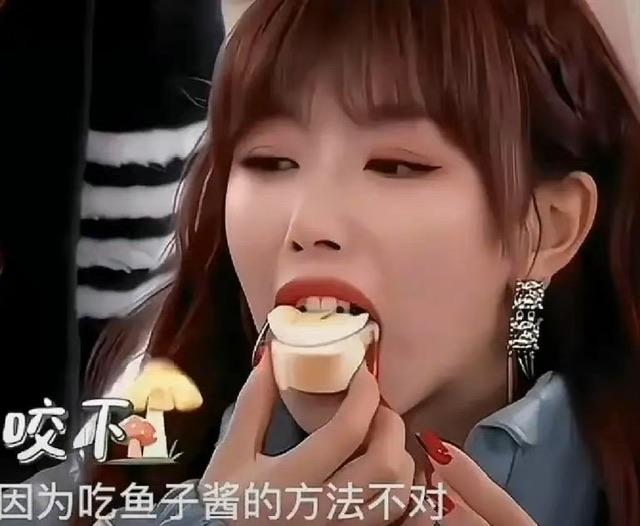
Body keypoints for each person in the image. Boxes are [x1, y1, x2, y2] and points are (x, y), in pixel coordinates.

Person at [20, 0, 640, 525]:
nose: (308, 225)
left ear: (548, 227)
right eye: (269, 161)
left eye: (396, 166)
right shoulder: (126, 469)